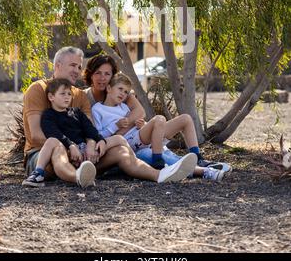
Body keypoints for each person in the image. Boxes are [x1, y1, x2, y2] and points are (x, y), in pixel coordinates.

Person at [22, 46, 197, 185]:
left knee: (121, 150)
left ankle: (159, 175)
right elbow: (37, 136)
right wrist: (71, 147)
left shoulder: (80, 96)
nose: (77, 70)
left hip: (83, 155)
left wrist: (91, 146)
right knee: (56, 148)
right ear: (58, 65)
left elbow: (89, 129)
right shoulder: (39, 89)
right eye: (72, 65)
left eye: (79, 66)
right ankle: (77, 178)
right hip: (43, 154)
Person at [84, 54, 232, 181]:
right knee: (160, 127)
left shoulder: (122, 102)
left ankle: (198, 158)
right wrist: (118, 126)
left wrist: (139, 124)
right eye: (98, 73)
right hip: (132, 144)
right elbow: (97, 135)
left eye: (107, 74)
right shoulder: (93, 105)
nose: (103, 78)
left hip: (142, 135)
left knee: (185, 119)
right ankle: (199, 170)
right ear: (91, 75)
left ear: (112, 78)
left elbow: (140, 112)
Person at [22, 78, 127, 188]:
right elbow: (54, 133)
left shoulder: (76, 112)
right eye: (62, 93)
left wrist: (99, 139)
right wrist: (71, 145)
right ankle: (38, 173)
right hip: (67, 150)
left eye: (69, 94)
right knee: (51, 141)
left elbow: (89, 129)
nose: (67, 96)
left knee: (119, 139)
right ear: (51, 97)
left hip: (85, 150)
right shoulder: (48, 115)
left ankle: (128, 162)